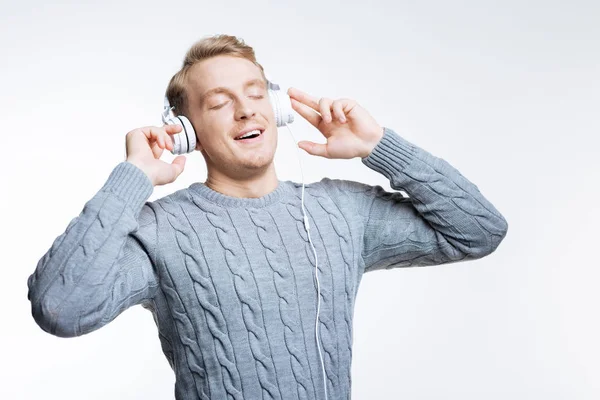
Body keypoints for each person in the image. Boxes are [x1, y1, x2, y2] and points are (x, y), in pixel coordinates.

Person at [27, 34, 508, 400]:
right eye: (218, 103)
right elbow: (60, 309)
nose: (244, 111)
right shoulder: (158, 231)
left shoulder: (342, 210)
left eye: (256, 94)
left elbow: (480, 231)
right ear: (186, 132)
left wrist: (380, 147)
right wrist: (131, 177)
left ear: (275, 109)